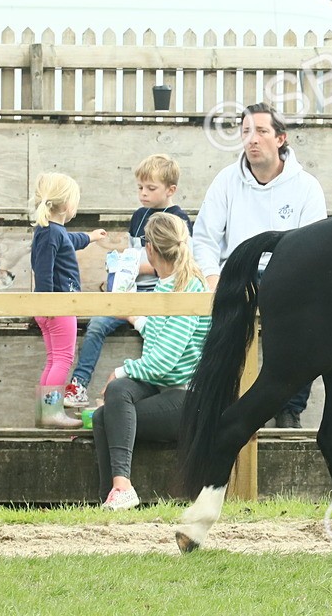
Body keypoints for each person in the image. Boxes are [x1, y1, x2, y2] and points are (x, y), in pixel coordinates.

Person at [193, 103, 327, 427]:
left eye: (262, 131)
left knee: (315, 321)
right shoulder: (225, 182)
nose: (253, 140)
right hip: (236, 275)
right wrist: (212, 278)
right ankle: (225, 407)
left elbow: (316, 250)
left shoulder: (306, 186)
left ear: (281, 138)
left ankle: (288, 410)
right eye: (246, 132)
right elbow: (204, 239)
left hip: (287, 278)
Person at [94, 212, 210, 510]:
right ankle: (118, 492)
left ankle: (121, 492)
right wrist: (135, 317)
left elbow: (164, 362)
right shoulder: (168, 284)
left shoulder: (188, 290)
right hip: (164, 388)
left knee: (111, 407)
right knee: (108, 405)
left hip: (186, 396)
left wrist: (119, 371)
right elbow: (162, 335)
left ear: (150, 250)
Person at [64, 154, 192, 409]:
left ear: (171, 190)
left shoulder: (178, 220)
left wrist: (135, 268)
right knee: (99, 323)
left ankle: (150, 394)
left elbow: (176, 265)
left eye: (151, 188)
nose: (143, 193)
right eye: (140, 187)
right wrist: (119, 268)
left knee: (154, 337)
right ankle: (79, 383)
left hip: (159, 296)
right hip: (130, 292)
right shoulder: (138, 216)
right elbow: (134, 256)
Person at [29, 172, 107, 428]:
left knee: (54, 359)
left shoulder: (51, 231)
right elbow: (43, 270)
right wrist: (49, 302)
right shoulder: (51, 234)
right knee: (63, 359)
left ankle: (45, 413)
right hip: (58, 306)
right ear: (66, 205)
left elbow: (71, 240)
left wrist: (92, 237)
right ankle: (51, 412)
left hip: (53, 306)